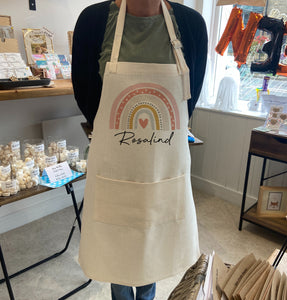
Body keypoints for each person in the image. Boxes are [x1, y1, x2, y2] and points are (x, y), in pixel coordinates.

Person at [72, 0, 207, 299]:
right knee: (116, 250)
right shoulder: (94, 20)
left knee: (154, 246)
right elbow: (88, 98)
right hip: (114, 167)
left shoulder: (191, 24)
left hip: (165, 168)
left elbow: (189, 99)